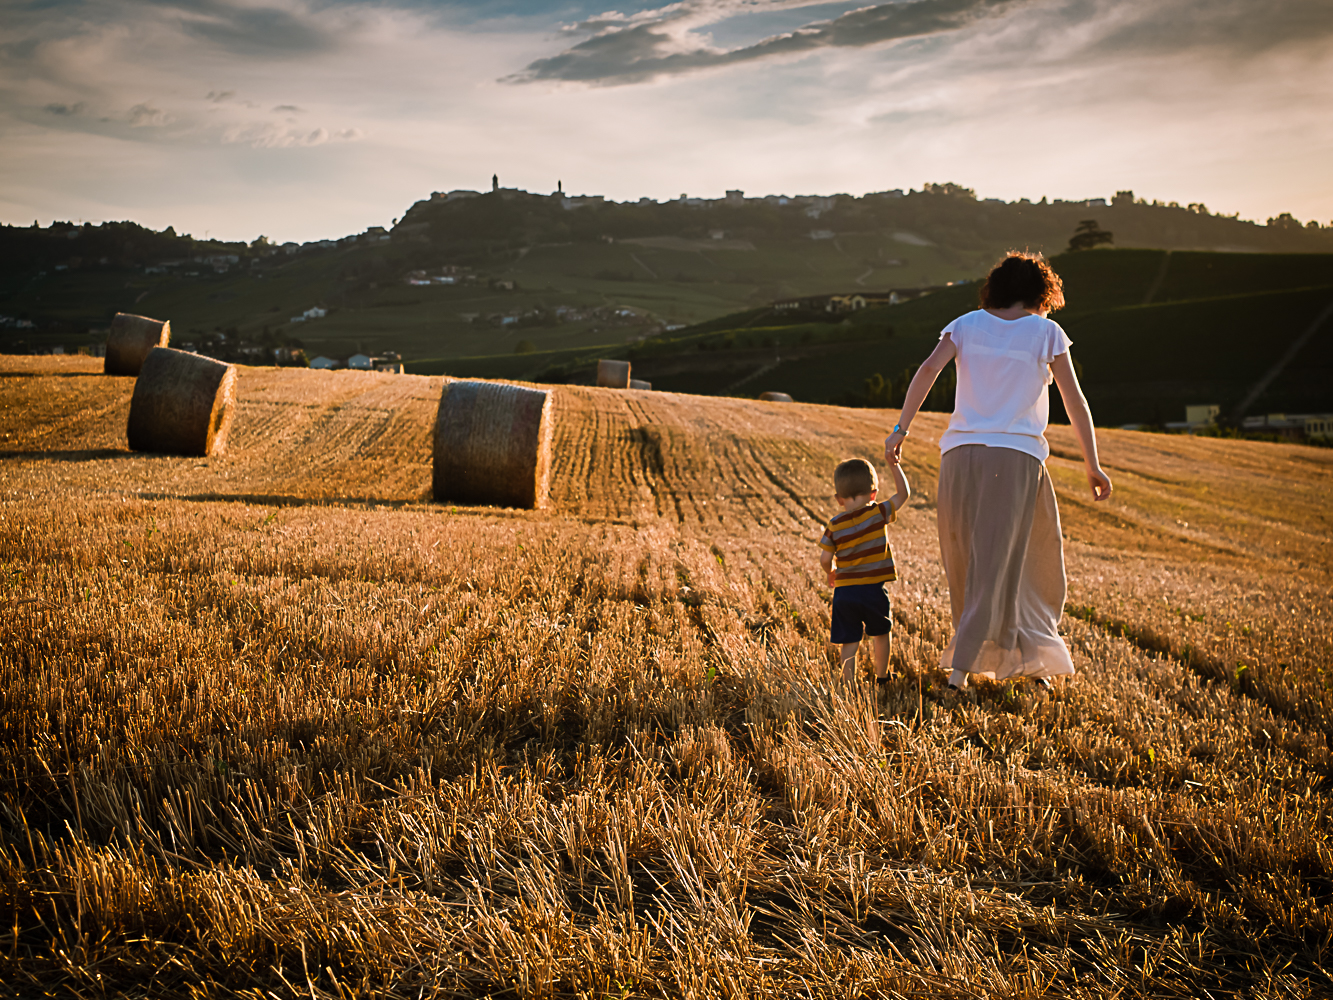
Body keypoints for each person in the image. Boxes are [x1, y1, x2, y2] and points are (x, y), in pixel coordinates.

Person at [883, 252, 1112, 690]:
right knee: (1023, 562)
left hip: (959, 456)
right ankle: (964, 670)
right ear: (1042, 293)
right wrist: (1093, 463)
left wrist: (900, 429)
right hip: (1015, 459)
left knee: (969, 563)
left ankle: (1020, 661)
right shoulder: (1047, 332)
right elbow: (1075, 401)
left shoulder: (966, 324)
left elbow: (929, 369)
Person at [818, 456, 911, 685]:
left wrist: (831, 571)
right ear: (873, 494)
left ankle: (848, 683)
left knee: (849, 639)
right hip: (872, 591)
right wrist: (894, 465)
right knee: (881, 632)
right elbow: (903, 494)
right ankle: (882, 677)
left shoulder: (835, 524)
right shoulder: (877, 513)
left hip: (845, 593)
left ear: (839, 499)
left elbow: (824, 557)